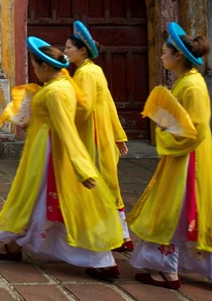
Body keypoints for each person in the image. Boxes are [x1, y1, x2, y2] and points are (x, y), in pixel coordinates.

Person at [127, 23, 212, 291]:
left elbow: (195, 131)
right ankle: (176, 268)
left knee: (178, 209)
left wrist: (164, 134)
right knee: (176, 209)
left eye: (165, 51)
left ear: (178, 56)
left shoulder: (193, 86)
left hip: (190, 160)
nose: (161, 56)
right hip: (183, 157)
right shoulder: (186, 82)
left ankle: (170, 271)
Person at [0, 37, 123, 282]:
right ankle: (17, 246)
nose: (34, 70)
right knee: (45, 201)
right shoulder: (63, 85)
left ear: (46, 67)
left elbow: (65, 128)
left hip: (51, 154)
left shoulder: (55, 92)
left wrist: (82, 167)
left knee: (39, 199)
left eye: (36, 66)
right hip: (45, 149)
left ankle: (98, 260)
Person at [65, 20, 132, 251]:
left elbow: (83, 108)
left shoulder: (84, 74)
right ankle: (122, 234)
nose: (66, 52)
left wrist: (64, 125)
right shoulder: (96, 70)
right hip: (102, 133)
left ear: (82, 50)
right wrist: (117, 134)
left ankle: (110, 233)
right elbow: (110, 105)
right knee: (109, 183)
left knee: (94, 182)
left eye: (69, 48)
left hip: (91, 135)